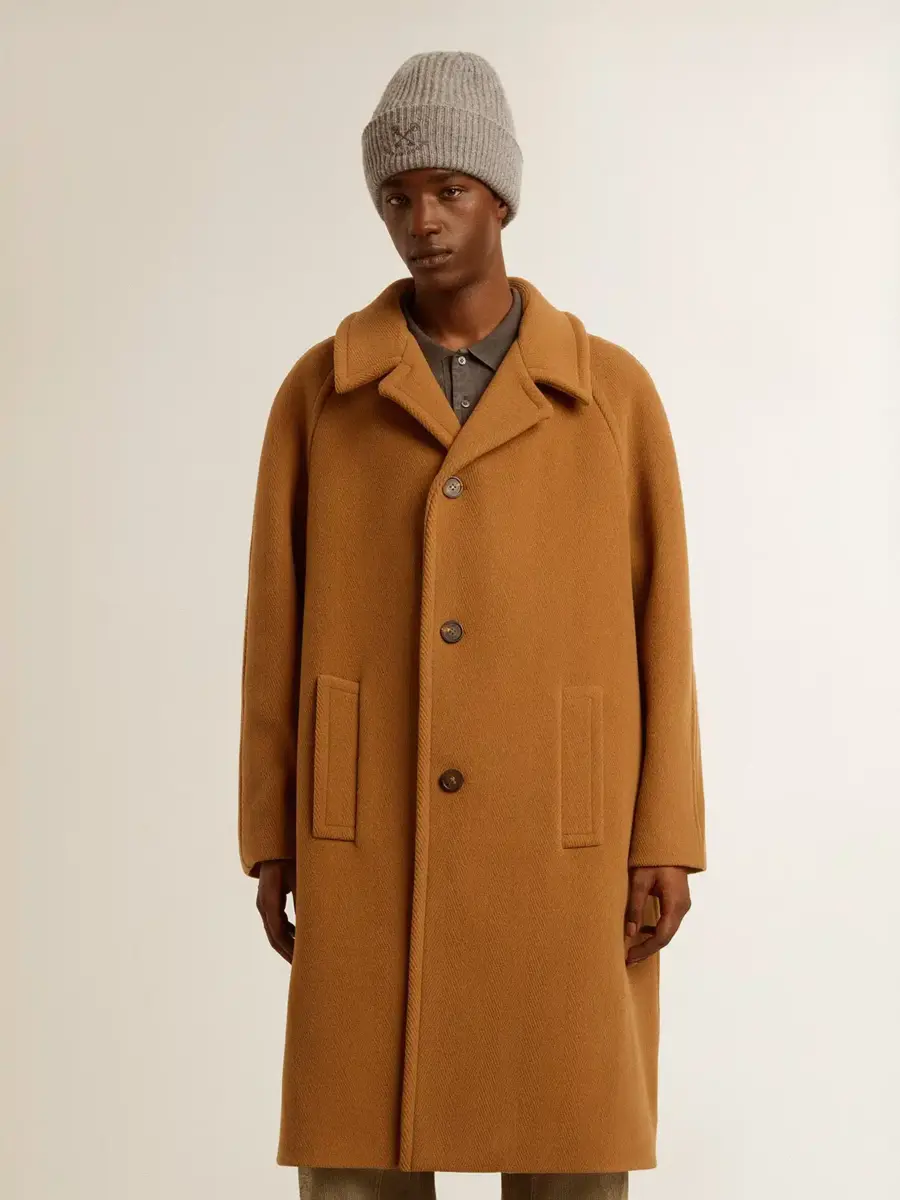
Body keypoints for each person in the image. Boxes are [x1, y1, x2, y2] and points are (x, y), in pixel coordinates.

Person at [238, 49, 707, 1200]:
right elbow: (273, 631)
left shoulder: (611, 398)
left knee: (567, 1148)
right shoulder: (321, 396)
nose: (423, 222)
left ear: (501, 197)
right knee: (357, 1155)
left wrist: (666, 832)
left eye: (449, 190)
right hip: (366, 834)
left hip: (563, 838)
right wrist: (270, 831)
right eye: (398, 196)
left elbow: (666, 629)